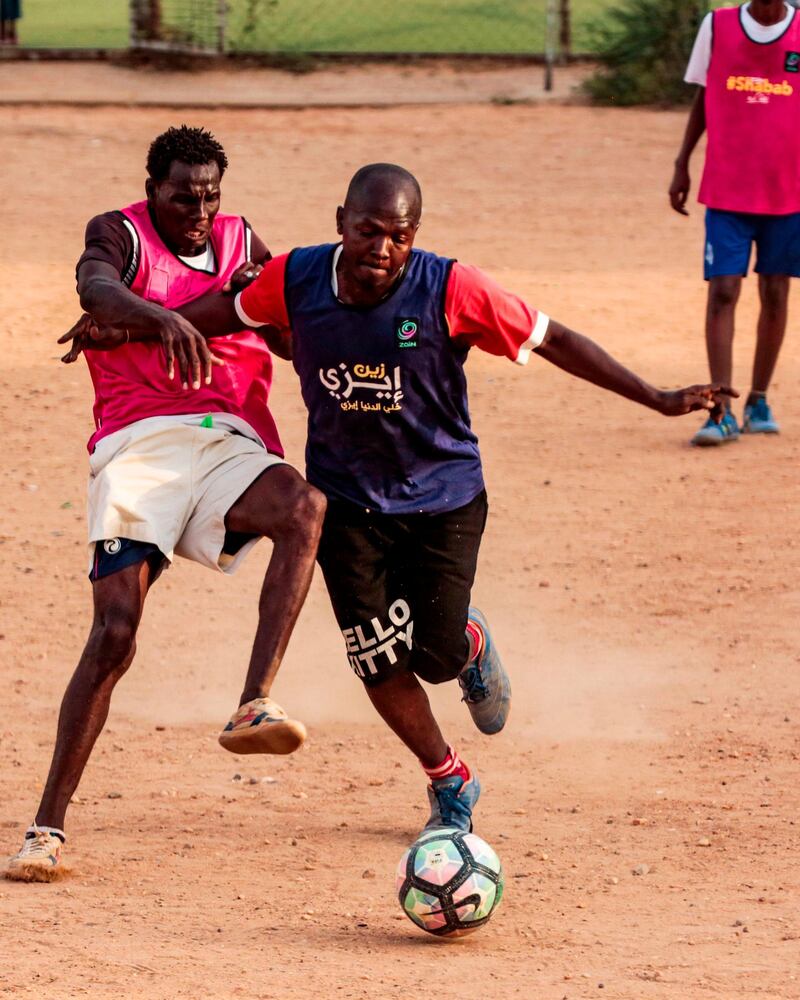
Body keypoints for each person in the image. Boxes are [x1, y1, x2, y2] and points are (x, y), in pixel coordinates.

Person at [61, 163, 734, 839]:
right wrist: (121, 329)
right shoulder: (294, 278)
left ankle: (468, 640)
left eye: (400, 236)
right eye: (369, 231)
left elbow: (552, 338)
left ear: (416, 237)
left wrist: (658, 397)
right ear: (341, 224)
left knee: (434, 657)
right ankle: (448, 776)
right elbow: (209, 314)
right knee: (378, 658)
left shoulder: (451, 287)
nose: (382, 249)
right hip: (348, 501)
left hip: (442, 496)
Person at [5, 126, 326, 882]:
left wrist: (275, 319)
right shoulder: (118, 232)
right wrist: (159, 315)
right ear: (155, 187)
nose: (200, 207)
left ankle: (254, 701)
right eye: (185, 193)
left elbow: (286, 323)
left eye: (211, 193)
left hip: (228, 442)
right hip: (138, 447)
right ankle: (47, 827)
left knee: (305, 508)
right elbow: (96, 287)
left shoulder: (244, 242)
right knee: (115, 634)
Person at [669, 0, 800, 446]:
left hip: (789, 191)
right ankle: (720, 408)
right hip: (728, 188)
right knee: (723, 290)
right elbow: (705, 96)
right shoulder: (718, 25)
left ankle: (758, 399)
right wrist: (682, 162)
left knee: (775, 290)